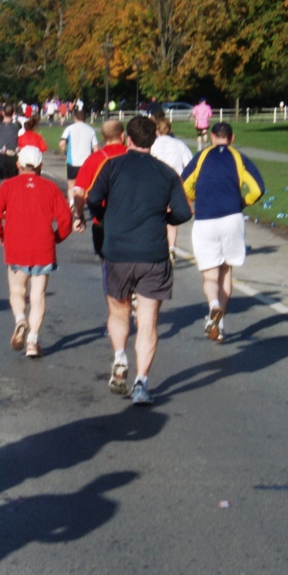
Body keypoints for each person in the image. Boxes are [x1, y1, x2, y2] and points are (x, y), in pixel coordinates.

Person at [86, 116, 192, 405]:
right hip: (153, 254)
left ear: (127, 139)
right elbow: (183, 212)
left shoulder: (112, 166)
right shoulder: (167, 173)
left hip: (118, 252)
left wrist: (104, 215)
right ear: (153, 140)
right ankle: (142, 383)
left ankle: (120, 356)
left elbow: (93, 198)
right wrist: (164, 218)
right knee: (148, 322)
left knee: (119, 312)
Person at [181, 122, 264, 342]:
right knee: (226, 272)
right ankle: (220, 323)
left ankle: (213, 305)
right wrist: (243, 201)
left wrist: (198, 197)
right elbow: (258, 188)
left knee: (210, 274)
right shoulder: (239, 157)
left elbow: (184, 184)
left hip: (206, 218)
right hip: (232, 218)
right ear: (232, 138)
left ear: (211, 136)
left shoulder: (201, 156)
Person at [0, 146, 73, 358]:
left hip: (16, 245)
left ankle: (20, 320)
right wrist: (57, 238)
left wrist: (1, 235)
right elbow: (66, 220)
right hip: (43, 246)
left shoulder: (8, 186)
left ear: (18, 164)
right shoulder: (50, 188)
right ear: (40, 166)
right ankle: (33, 341)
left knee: (17, 290)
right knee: (38, 295)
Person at [71, 119, 127, 258]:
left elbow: (79, 191)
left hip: (102, 220)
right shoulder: (132, 155)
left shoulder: (94, 159)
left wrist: (80, 216)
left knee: (107, 264)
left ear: (103, 137)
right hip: (131, 219)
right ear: (122, 136)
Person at [150, 114, 193, 259]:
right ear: (170, 130)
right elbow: (190, 165)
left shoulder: (152, 145)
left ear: (156, 131)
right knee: (171, 218)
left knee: (156, 216)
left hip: (156, 184)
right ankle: (171, 247)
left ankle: (157, 245)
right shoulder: (179, 145)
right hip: (174, 184)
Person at [60, 109, 99, 201]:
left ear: (75, 118)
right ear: (85, 119)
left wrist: (65, 153)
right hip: (86, 162)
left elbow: (62, 143)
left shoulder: (69, 128)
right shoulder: (91, 130)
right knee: (85, 186)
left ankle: (72, 203)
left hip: (72, 162)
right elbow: (96, 148)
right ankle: (82, 203)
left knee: (71, 186)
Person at [0, 104, 20, 180]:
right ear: (13, 113)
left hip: (2, 155)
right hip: (13, 155)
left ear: (2, 113)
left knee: (3, 181)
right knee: (13, 180)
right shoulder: (17, 125)